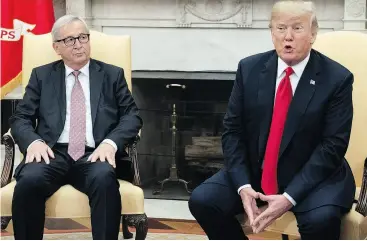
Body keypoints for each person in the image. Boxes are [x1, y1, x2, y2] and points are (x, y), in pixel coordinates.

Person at [188, 1, 356, 240]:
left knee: (321, 221)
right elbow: (232, 131)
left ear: (313, 33)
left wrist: (289, 197)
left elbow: (332, 146)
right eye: (280, 28)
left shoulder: (337, 79)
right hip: (258, 170)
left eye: (297, 28)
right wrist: (243, 186)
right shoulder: (250, 69)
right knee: (204, 201)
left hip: (314, 176)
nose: (287, 37)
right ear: (271, 32)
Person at [9, 15, 142, 240]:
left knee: (104, 180)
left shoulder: (112, 74)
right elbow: (20, 118)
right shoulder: (42, 76)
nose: (79, 44)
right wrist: (33, 142)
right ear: (56, 47)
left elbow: (132, 116)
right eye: (70, 40)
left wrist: (110, 144)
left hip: (94, 153)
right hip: (52, 152)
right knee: (29, 182)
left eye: (82, 37)